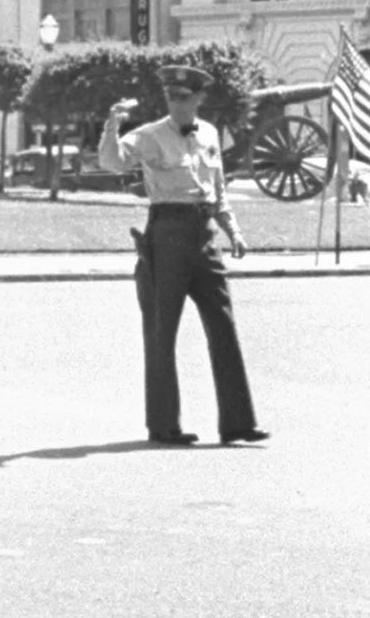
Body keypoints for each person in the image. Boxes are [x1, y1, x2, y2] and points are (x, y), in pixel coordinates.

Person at [100, 67, 270, 448]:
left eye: (184, 97)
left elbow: (219, 188)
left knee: (223, 326)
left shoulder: (208, 133)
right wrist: (112, 126)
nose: (176, 103)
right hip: (168, 233)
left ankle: (238, 423)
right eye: (171, 96)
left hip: (205, 235)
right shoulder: (149, 136)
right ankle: (164, 426)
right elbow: (113, 162)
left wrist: (233, 230)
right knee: (162, 330)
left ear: (197, 100)